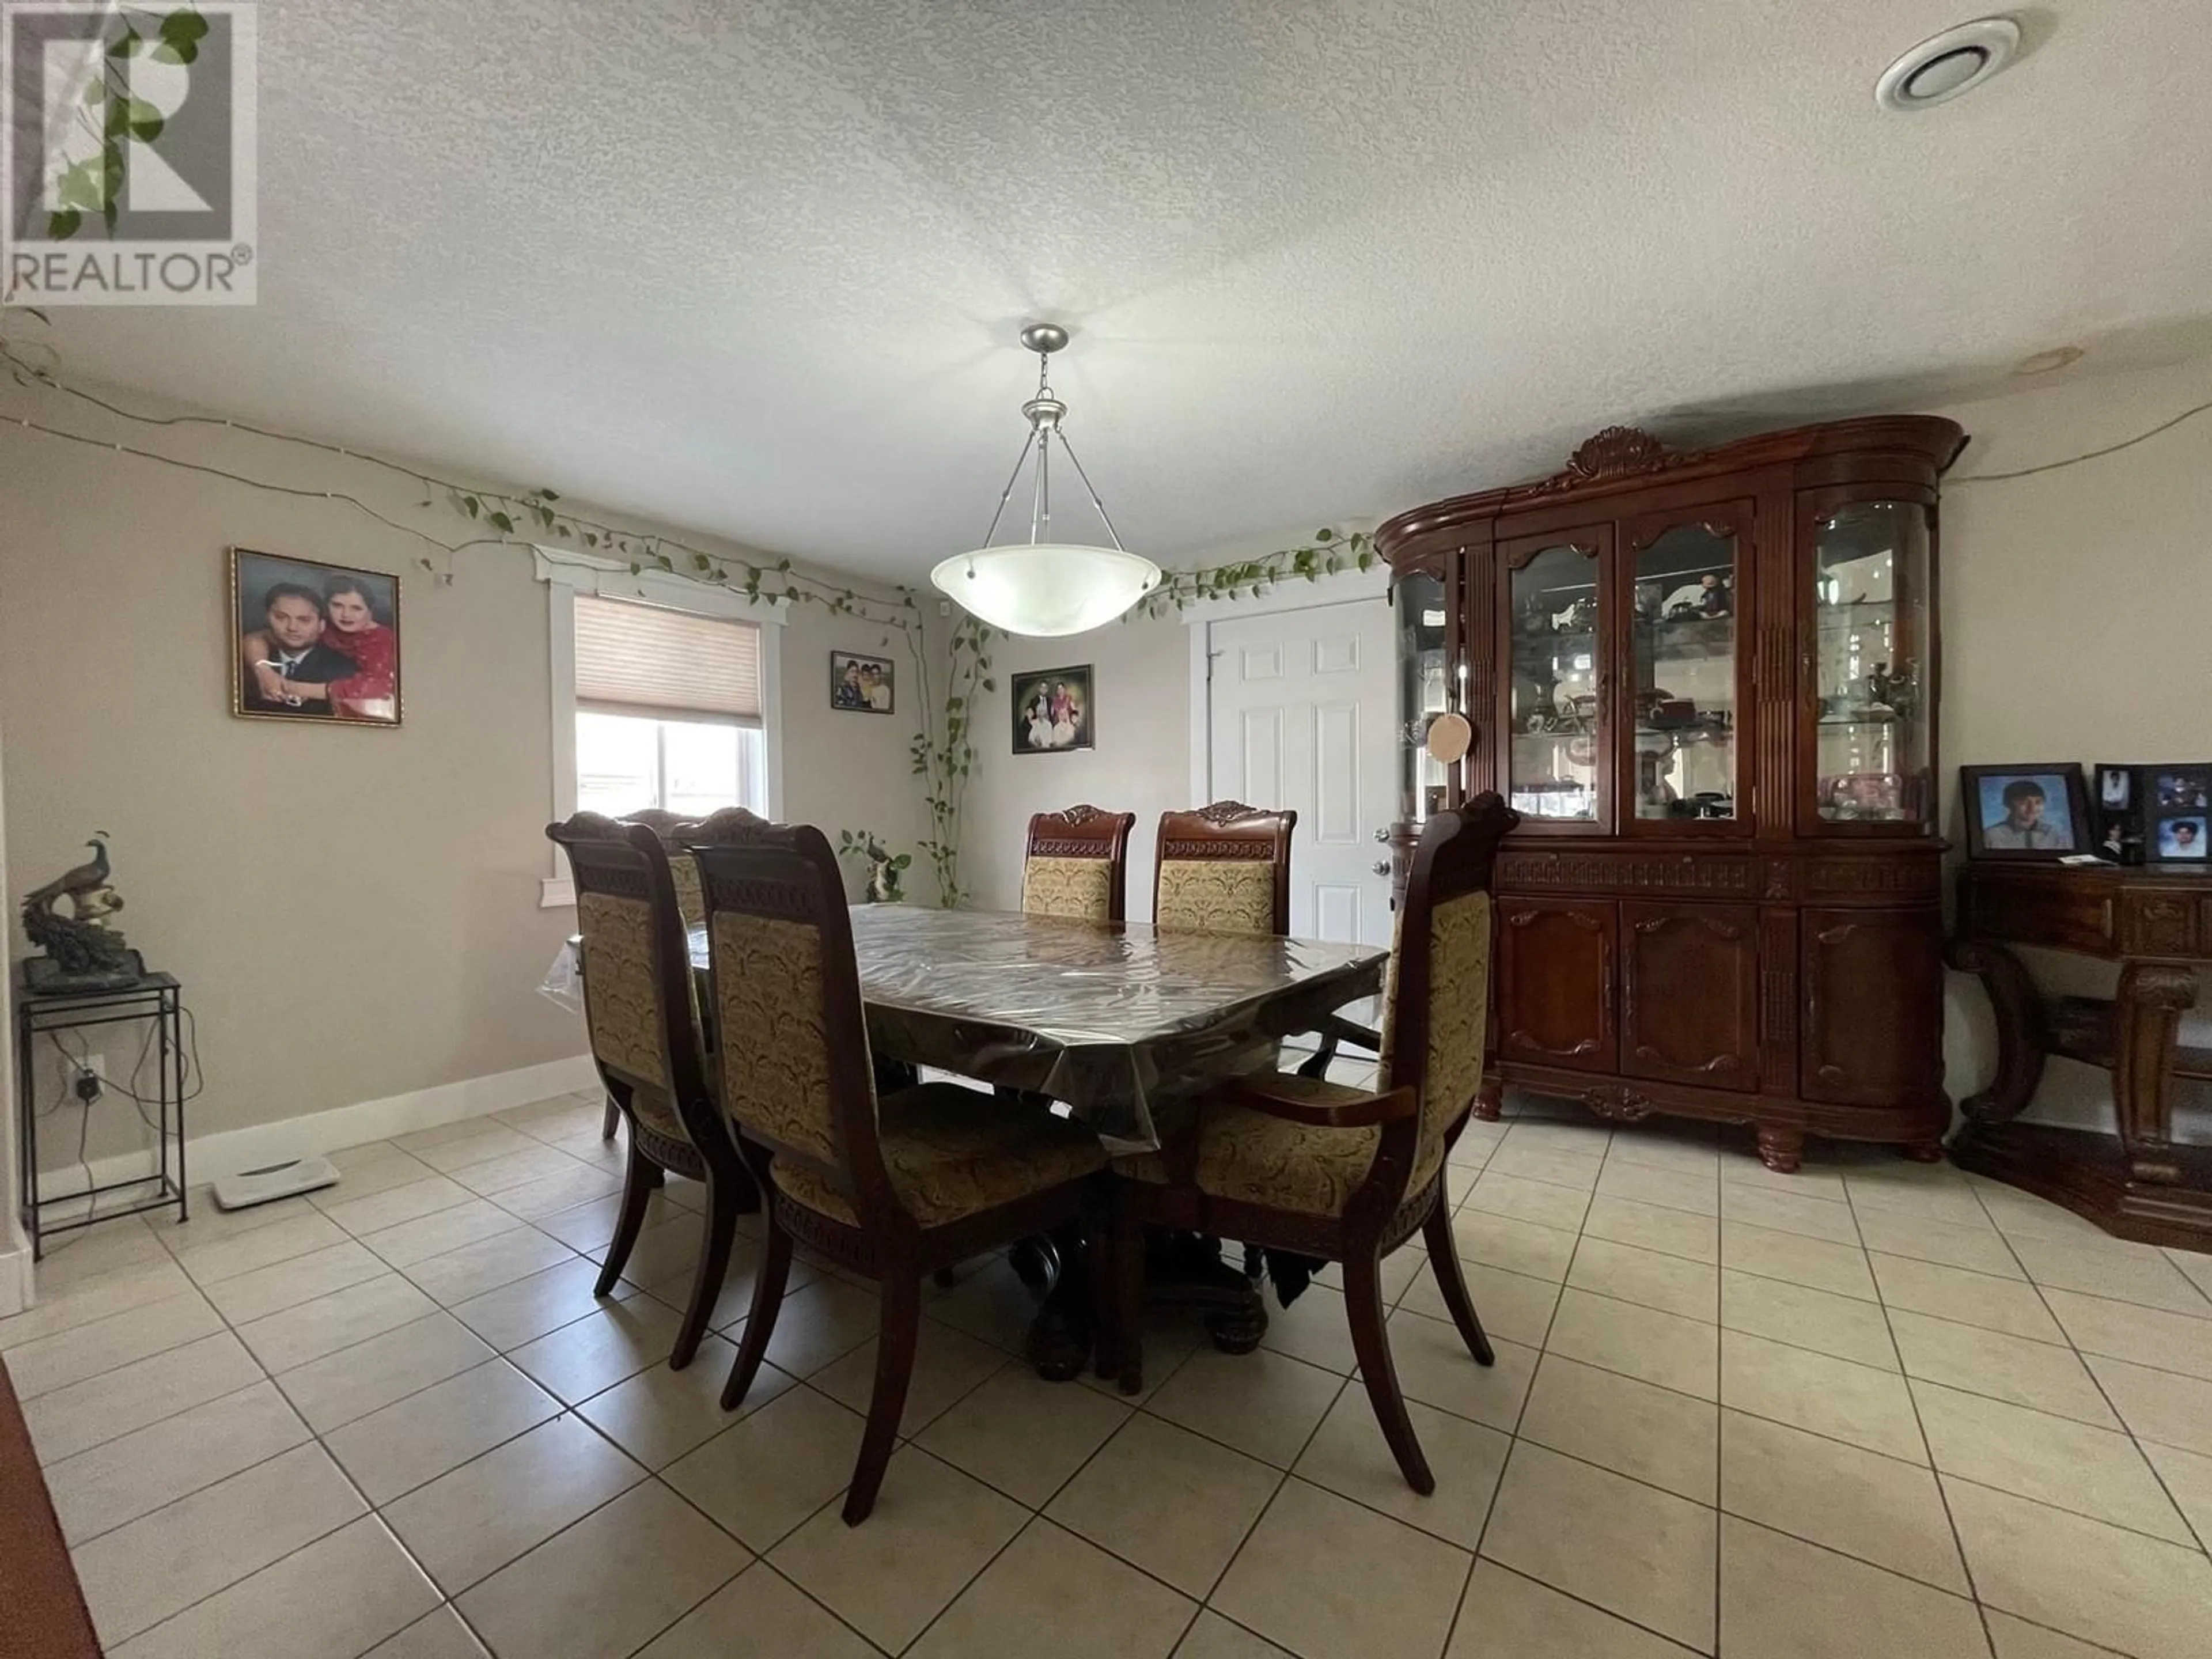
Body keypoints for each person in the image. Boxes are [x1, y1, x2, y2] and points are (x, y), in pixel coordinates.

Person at [239, 584, 359, 717]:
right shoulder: (250, 658)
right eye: (281, 618)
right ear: (267, 618)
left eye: (304, 620)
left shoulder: (343, 669)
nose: (292, 627)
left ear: (322, 625)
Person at [319, 577, 398, 720]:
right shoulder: (325, 625)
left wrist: (295, 688)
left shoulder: (383, 638)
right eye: (337, 605)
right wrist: (264, 668)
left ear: (370, 611)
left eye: (356, 608)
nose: (346, 615)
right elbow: (267, 635)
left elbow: (379, 686)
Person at [1983, 778, 2067, 850]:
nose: (2033, 808)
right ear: (2008, 804)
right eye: (2024, 802)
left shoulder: (2053, 834)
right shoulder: (1991, 835)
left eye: (2038, 802)